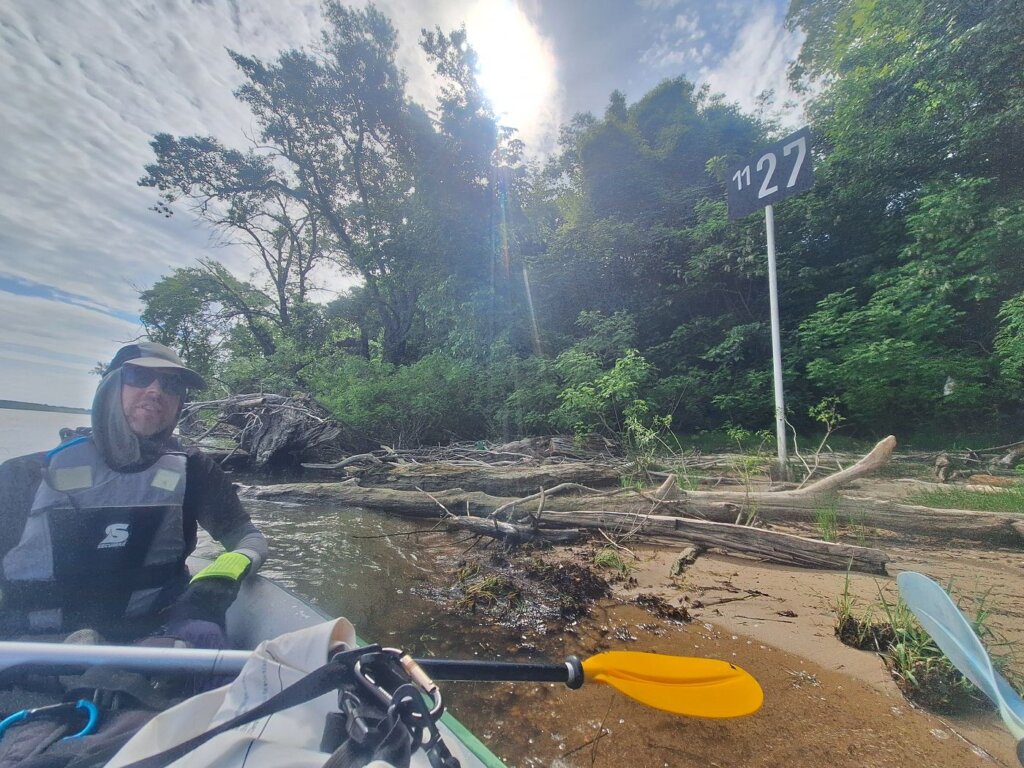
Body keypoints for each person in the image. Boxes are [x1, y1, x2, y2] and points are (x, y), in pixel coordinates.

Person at [0, 341, 267, 648]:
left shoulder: (193, 470)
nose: (156, 390)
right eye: (139, 377)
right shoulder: (24, 475)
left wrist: (227, 570)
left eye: (171, 384)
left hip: (152, 644)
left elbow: (248, 537)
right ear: (110, 388)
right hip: (29, 650)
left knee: (204, 635)